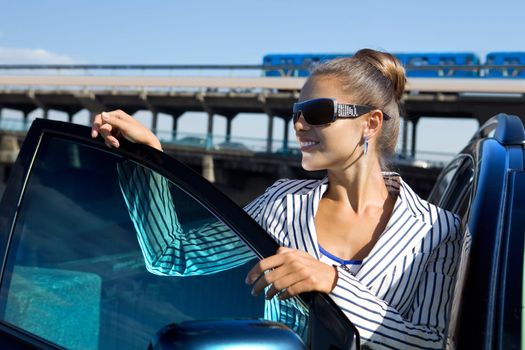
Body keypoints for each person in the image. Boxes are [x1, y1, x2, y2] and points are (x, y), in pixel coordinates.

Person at [91, 48, 461, 349]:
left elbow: (429, 343)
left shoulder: (437, 230)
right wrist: (148, 158)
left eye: (316, 113)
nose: (299, 125)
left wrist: (333, 282)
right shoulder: (283, 204)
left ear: (370, 123)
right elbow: (172, 254)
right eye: (296, 113)